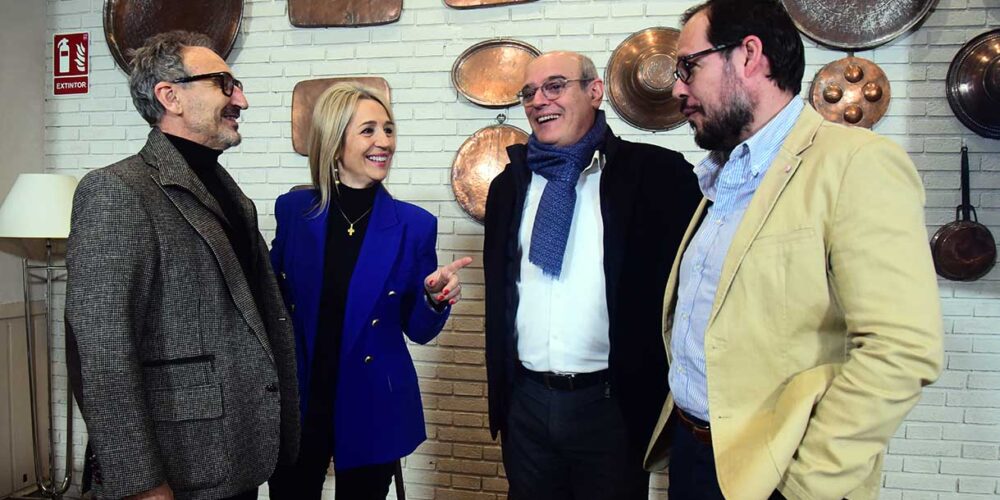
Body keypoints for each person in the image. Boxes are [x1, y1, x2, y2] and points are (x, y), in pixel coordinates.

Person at [642, 2, 944, 499]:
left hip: (779, 478)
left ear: (748, 56)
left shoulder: (856, 165)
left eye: (688, 67)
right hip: (696, 456)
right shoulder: (723, 177)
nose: (678, 88)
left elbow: (902, 350)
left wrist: (809, 484)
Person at [65, 31, 299, 500]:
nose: (242, 100)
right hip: (176, 470)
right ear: (169, 96)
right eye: (225, 84)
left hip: (235, 458)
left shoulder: (232, 195)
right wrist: (141, 484)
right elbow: (102, 354)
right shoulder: (117, 192)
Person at [482, 51, 701, 499]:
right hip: (526, 404)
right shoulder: (509, 186)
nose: (539, 100)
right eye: (529, 92)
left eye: (555, 86)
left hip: (611, 406)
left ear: (595, 91)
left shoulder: (656, 176)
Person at [266, 82, 472, 500]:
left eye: (389, 129)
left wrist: (434, 298)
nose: (384, 142)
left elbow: (418, 329)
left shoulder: (414, 225)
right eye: (369, 130)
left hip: (372, 400)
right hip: (302, 396)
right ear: (335, 142)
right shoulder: (293, 212)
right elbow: (271, 302)